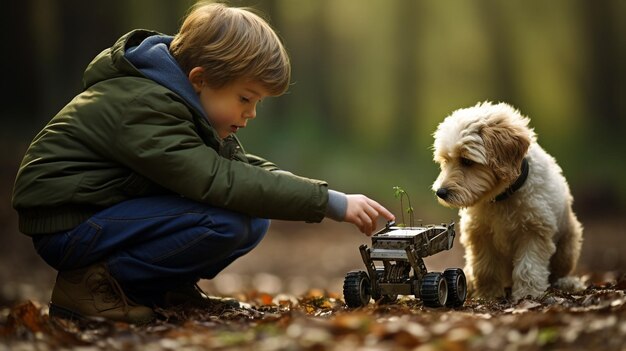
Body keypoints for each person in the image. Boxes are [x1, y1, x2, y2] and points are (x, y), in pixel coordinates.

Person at [11, 2, 394, 325]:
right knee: (226, 219)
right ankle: (88, 285)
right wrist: (328, 204)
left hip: (104, 213)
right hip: (70, 223)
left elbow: (244, 170)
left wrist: (328, 195)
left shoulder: (182, 105)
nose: (252, 113)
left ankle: (164, 290)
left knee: (249, 216)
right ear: (200, 78)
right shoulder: (146, 106)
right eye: (246, 98)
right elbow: (217, 180)